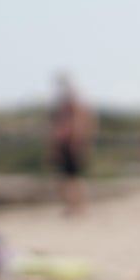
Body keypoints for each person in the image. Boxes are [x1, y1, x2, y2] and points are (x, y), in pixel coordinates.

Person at [47, 74, 95, 217]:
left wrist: (76, 144)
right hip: (65, 144)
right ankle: (73, 206)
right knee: (66, 178)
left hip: (70, 145)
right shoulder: (66, 104)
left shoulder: (73, 105)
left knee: (73, 178)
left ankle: (78, 206)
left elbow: (78, 124)